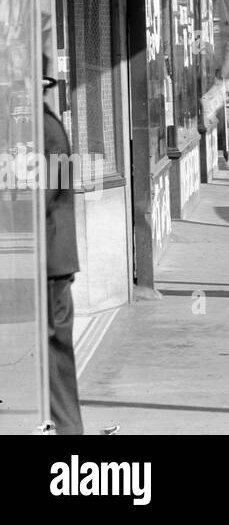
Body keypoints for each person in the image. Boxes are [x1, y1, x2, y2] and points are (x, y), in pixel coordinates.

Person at [42, 56, 83, 435]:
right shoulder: (45, 126)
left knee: (55, 348)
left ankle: (68, 429)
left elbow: (49, 194)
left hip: (51, 256)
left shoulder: (45, 129)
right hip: (53, 252)